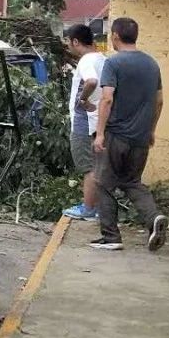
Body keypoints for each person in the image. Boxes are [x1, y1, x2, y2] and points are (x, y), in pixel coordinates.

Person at [90, 17, 169, 252]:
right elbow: (159, 101)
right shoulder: (152, 65)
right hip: (141, 138)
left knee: (103, 183)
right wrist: (151, 130)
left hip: (116, 135)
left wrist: (100, 133)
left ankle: (111, 236)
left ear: (115, 36)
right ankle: (153, 217)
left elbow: (107, 98)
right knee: (132, 182)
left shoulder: (114, 64)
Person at [61, 24, 104, 221]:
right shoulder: (103, 59)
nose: (68, 46)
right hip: (99, 121)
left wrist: (82, 100)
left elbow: (91, 81)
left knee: (88, 167)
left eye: (68, 42)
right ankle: (98, 206)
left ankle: (88, 209)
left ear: (75, 41)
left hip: (84, 122)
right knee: (97, 165)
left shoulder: (86, 61)